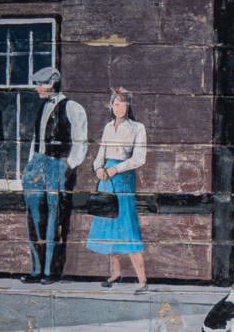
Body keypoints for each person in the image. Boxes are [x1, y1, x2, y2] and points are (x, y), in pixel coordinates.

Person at [22, 66, 88, 285]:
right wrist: (31, 163)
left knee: (55, 220)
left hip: (58, 165)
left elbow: (80, 142)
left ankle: (51, 271)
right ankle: (35, 270)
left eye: (40, 84)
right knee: (34, 218)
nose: (37, 88)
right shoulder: (43, 107)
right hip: (38, 164)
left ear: (51, 84)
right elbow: (37, 139)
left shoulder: (72, 107)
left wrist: (68, 165)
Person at [86, 87, 149, 290]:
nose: (119, 107)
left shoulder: (137, 127)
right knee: (109, 222)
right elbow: (101, 152)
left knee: (126, 223)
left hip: (122, 178)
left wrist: (116, 168)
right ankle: (115, 273)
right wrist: (98, 168)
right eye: (115, 103)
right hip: (106, 178)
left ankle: (142, 279)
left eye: (122, 104)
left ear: (128, 105)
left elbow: (139, 158)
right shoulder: (107, 127)